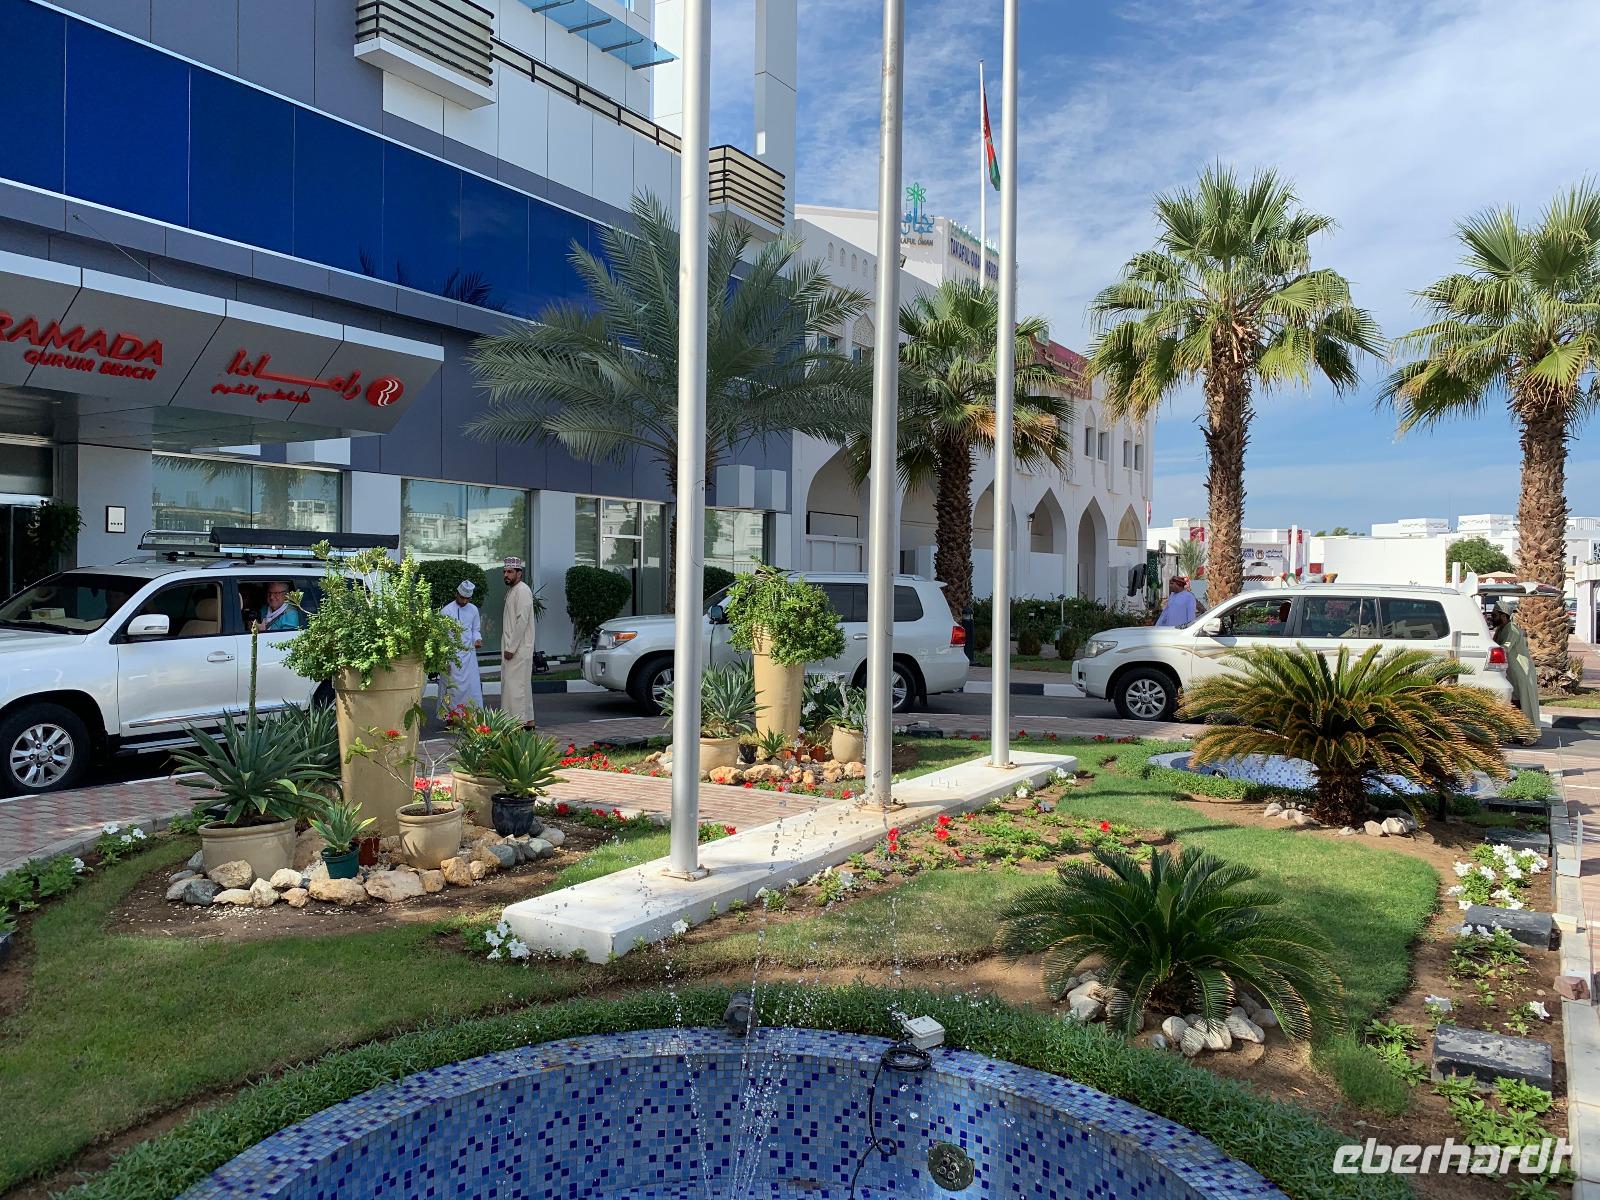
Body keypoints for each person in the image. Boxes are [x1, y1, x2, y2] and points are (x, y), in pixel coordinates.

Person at [1490, 603, 1541, 739]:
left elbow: (1504, 648)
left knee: (1526, 704)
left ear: (1503, 616)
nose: (1492, 617)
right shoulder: (1501, 629)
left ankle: (1530, 736)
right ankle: (1517, 734)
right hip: (1511, 674)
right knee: (1515, 704)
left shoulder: (1511, 630)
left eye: (1494, 615)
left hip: (1522, 673)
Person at [500, 556, 536, 728]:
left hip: (518, 649)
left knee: (516, 688)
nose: (506, 575)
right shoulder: (513, 590)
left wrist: (512, 647)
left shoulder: (522, 591)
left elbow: (522, 621)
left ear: (519, 573)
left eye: (510, 572)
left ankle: (518, 724)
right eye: (505, 571)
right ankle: (528, 722)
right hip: (511, 647)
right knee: (517, 686)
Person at [439, 581, 484, 709]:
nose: (464, 601)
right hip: (452, 656)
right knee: (451, 687)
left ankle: (471, 717)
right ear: (456, 594)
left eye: (467, 599)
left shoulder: (473, 609)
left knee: (472, 687)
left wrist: (477, 639)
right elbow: (442, 637)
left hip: (469, 656)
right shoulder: (446, 611)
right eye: (462, 597)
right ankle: (450, 719)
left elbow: (475, 630)